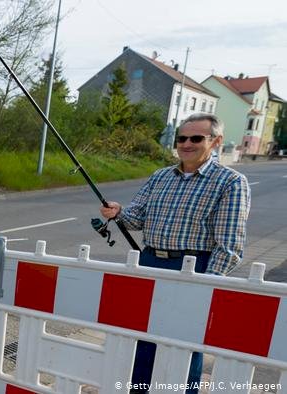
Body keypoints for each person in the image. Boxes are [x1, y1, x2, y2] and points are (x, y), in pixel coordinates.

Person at [100, 113, 250, 393]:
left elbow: (229, 246)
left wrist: (204, 284)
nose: (187, 144)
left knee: (185, 344)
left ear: (215, 141)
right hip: (149, 262)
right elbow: (136, 219)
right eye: (182, 138)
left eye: (196, 138)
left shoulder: (230, 182)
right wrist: (118, 211)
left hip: (192, 269)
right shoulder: (160, 176)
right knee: (142, 338)